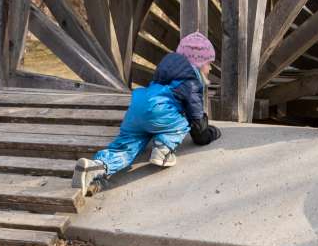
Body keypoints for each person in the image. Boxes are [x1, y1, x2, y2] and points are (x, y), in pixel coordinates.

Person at [72, 32, 221, 195]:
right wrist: (210, 133)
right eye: (209, 63)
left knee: (125, 148)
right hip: (159, 112)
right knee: (183, 123)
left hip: (137, 106)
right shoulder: (191, 81)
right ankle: (163, 149)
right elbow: (197, 123)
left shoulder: (166, 71)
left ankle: (95, 167)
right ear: (199, 63)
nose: (210, 68)